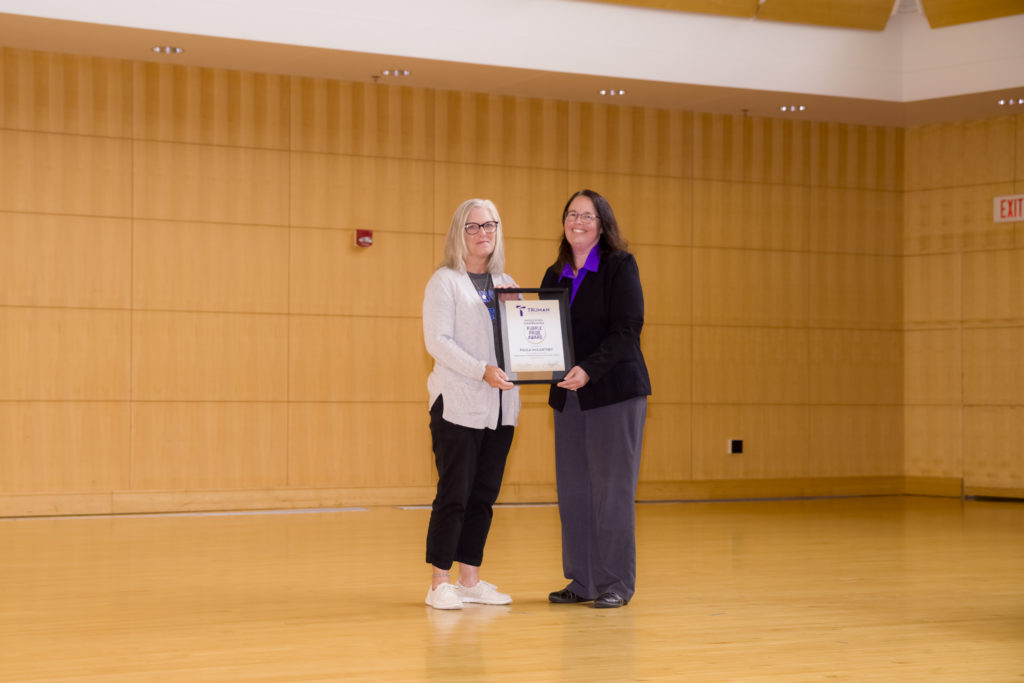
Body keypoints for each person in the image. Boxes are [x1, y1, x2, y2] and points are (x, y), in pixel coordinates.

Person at [541, 189, 651, 609]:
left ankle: (616, 583)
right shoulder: (555, 274)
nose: (578, 221)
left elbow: (628, 330)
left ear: (601, 223)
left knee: (613, 491)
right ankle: (583, 581)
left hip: (614, 392)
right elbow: (543, 332)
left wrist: (589, 369)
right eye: (572, 214)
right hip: (570, 398)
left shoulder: (620, 266)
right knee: (574, 490)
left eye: (587, 215)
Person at [421, 198, 521, 610]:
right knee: (455, 493)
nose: (483, 233)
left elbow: (525, 340)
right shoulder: (444, 282)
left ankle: (469, 579)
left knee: (483, 494)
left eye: (490, 225)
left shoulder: (508, 283)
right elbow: (438, 342)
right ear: (459, 234)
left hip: (501, 407)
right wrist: (481, 369)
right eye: (474, 226)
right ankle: (439, 581)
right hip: (458, 403)